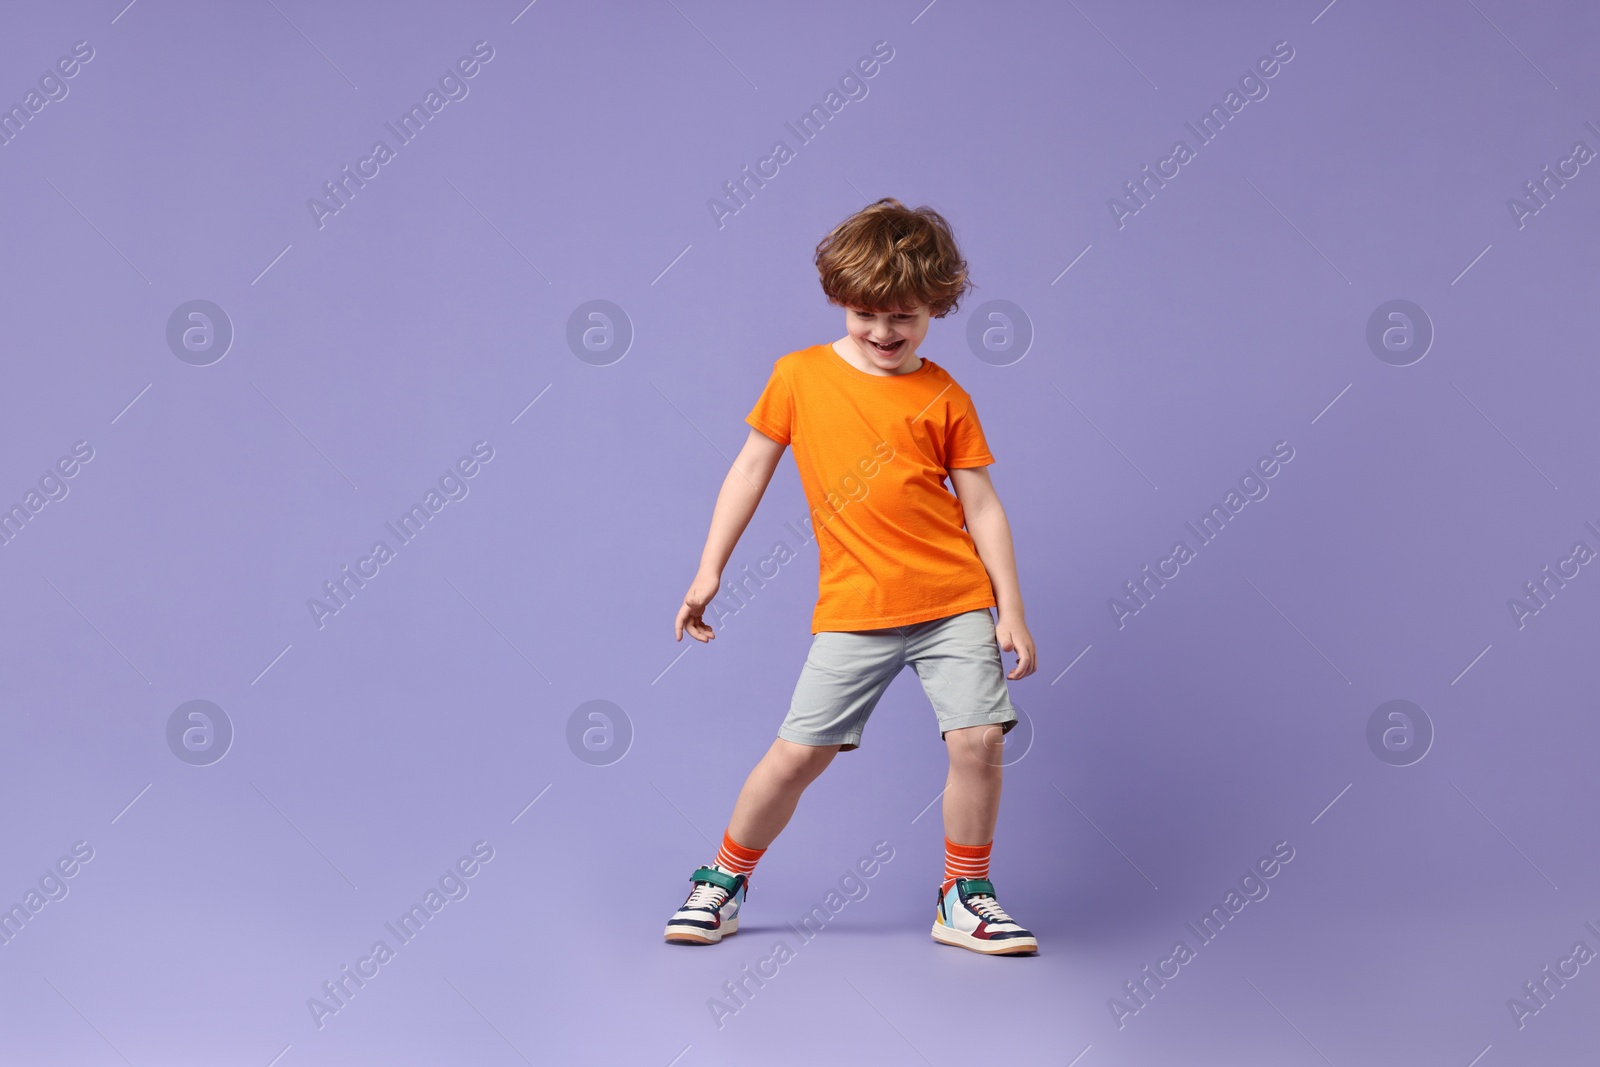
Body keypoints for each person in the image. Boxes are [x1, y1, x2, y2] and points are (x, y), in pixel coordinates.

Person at [663, 198, 1039, 956]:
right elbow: (748, 472)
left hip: (951, 600)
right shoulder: (798, 377)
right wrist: (708, 571)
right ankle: (724, 880)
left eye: (904, 315)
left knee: (979, 744)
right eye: (866, 312)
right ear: (840, 299)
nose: (883, 331)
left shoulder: (944, 394)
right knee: (799, 754)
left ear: (935, 307)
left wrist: (1010, 609)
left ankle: (964, 895)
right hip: (855, 605)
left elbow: (984, 506)